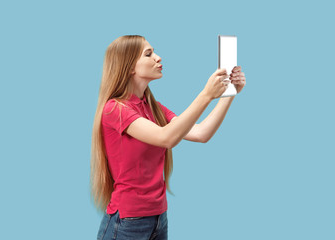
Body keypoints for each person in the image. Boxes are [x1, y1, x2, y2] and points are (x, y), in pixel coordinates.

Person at [91, 35, 246, 240]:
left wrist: (229, 93)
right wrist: (206, 94)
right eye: (149, 54)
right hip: (128, 222)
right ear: (129, 67)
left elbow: (201, 133)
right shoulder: (115, 110)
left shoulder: (153, 107)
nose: (158, 57)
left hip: (158, 217)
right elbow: (167, 138)